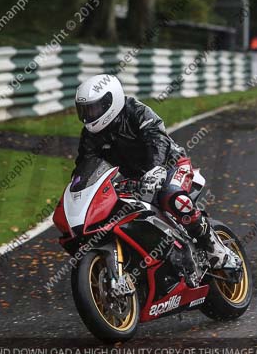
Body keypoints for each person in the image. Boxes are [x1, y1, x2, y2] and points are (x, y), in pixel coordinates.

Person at [73, 73, 240, 269]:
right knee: (113, 213)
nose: (89, 115)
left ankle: (215, 248)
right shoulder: (90, 135)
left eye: (94, 108)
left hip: (170, 166)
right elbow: (84, 164)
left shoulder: (136, 111)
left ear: (111, 101)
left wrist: (157, 168)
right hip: (134, 178)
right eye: (85, 109)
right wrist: (77, 190)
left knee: (173, 197)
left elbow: (157, 139)